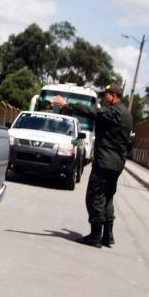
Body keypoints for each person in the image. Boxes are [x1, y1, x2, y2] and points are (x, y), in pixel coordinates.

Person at [55, 84, 132, 248]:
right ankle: (107, 235)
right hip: (117, 163)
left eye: (106, 95)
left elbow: (93, 112)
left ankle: (96, 235)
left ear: (113, 96)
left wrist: (68, 105)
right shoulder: (126, 113)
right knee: (107, 197)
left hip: (105, 162)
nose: (104, 98)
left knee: (95, 196)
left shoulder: (114, 111)